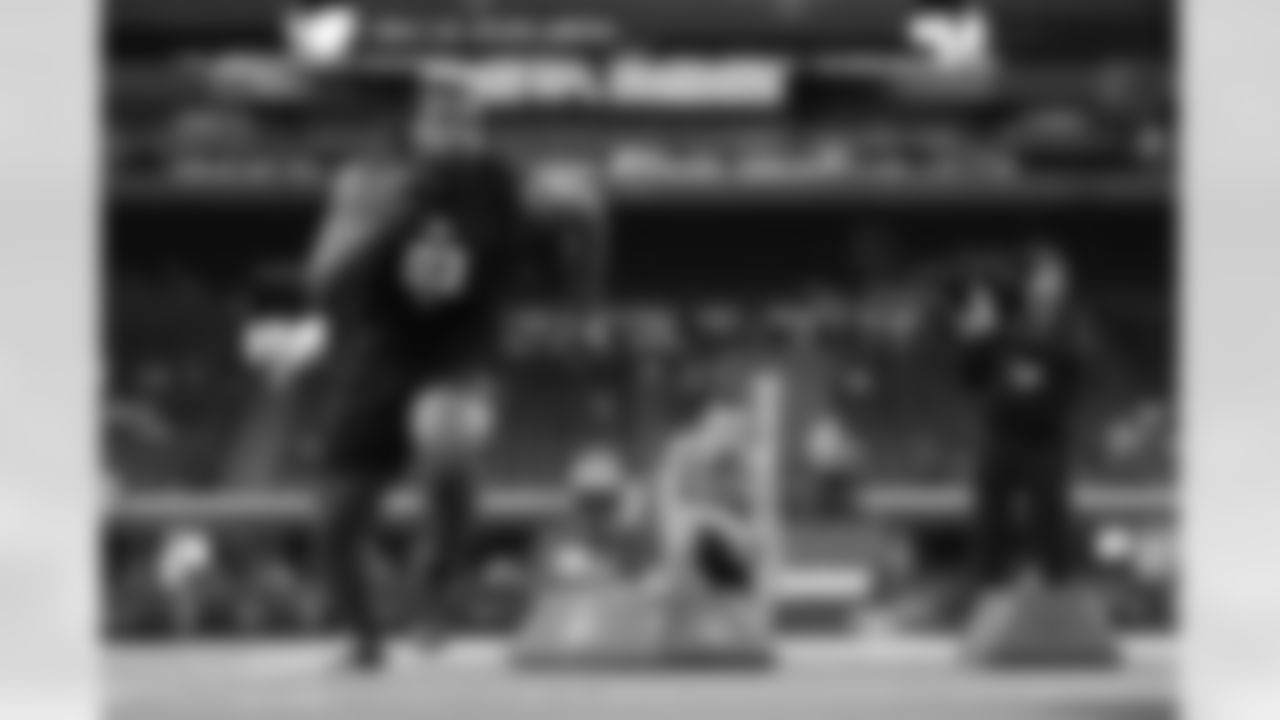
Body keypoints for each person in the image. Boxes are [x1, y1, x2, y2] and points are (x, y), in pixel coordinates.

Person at [260, 81, 610, 669]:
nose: (451, 134)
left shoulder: (508, 184)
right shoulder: (369, 184)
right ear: (416, 130)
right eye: (439, 121)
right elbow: (322, 278)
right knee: (339, 518)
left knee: (449, 441)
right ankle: (364, 637)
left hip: (459, 344)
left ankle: (435, 587)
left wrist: (582, 307)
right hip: (379, 347)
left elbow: (588, 212)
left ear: (480, 130)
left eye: (465, 122)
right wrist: (385, 225)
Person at [953, 245, 1090, 593]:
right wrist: (974, 339)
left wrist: (1026, 365)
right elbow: (971, 377)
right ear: (1029, 283)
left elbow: (1072, 373)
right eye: (1042, 277)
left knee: (1050, 520)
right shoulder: (1005, 323)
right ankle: (986, 587)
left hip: (1044, 438)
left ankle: (1059, 590)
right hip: (1003, 435)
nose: (1050, 284)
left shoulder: (1075, 327)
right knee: (991, 522)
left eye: (1056, 277)